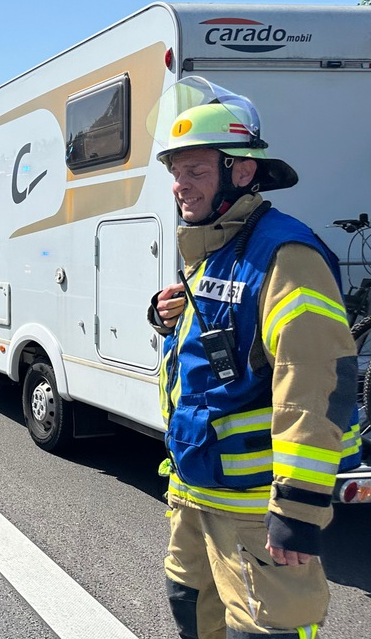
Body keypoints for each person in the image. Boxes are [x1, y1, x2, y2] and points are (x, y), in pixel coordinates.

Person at [146, 78, 360, 639]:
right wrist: (168, 320)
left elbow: (313, 381)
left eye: (194, 171)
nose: (179, 186)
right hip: (195, 494)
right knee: (192, 612)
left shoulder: (285, 254)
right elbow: (221, 351)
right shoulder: (212, 247)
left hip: (255, 508)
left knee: (266, 630)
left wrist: (297, 509)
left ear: (241, 171)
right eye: (175, 171)